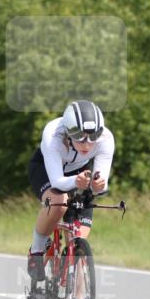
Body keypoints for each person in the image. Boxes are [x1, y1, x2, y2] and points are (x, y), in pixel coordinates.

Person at [26, 100, 114, 280]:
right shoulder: (53, 134)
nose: (86, 144)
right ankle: (36, 252)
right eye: (79, 136)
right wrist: (77, 180)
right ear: (67, 131)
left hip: (79, 171)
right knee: (60, 204)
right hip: (46, 169)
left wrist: (98, 185)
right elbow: (57, 182)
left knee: (80, 250)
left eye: (92, 136)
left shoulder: (106, 139)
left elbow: (102, 182)